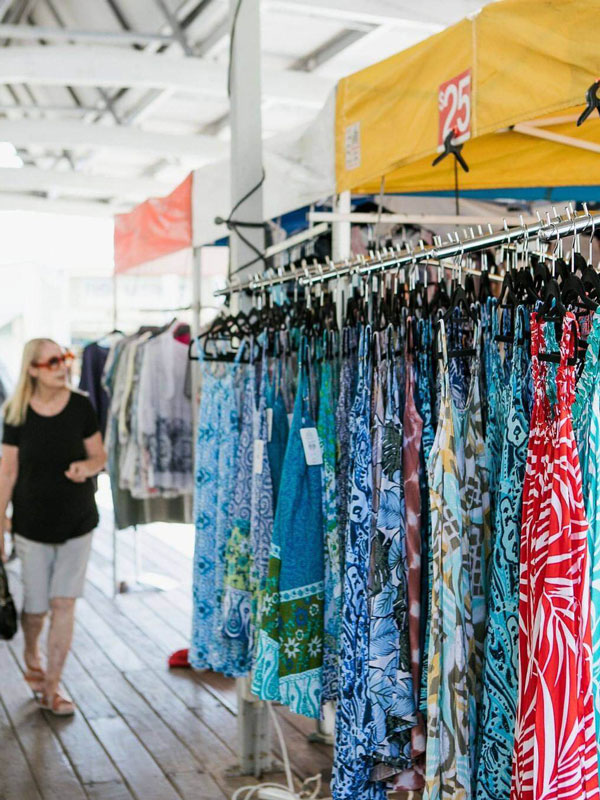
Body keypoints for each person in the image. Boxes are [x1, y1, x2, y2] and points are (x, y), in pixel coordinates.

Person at [0, 338, 106, 716]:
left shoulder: (80, 405)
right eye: (52, 362)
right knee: (36, 609)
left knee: (64, 603)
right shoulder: (16, 413)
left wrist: (86, 468)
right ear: (32, 369)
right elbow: (7, 471)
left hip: (78, 522)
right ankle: (32, 654)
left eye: (64, 358)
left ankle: (52, 687)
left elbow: (99, 456)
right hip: (31, 525)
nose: (63, 366)